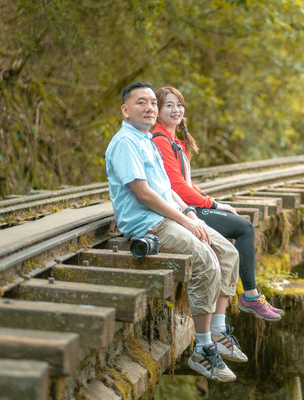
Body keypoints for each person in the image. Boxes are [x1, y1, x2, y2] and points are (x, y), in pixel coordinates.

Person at [105, 81, 247, 383]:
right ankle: (202, 349)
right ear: (125, 109)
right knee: (207, 260)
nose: (149, 108)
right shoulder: (125, 142)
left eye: (152, 104)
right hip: (148, 223)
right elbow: (144, 194)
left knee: (228, 252)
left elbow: (167, 188)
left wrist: (189, 211)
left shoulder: (146, 139)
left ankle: (219, 330)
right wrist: (185, 221)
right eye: (141, 103)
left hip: (169, 215)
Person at [151, 86, 284, 321]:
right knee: (244, 228)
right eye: (169, 105)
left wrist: (213, 201)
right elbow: (178, 188)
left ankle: (248, 296)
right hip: (179, 210)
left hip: (187, 204)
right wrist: (212, 206)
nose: (176, 110)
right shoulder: (160, 140)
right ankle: (250, 296)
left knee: (240, 225)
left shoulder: (176, 142)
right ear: (158, 110)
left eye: (179, 105)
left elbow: (188, 185)